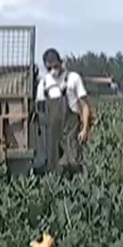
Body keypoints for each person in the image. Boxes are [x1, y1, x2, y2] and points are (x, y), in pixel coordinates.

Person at [35, 48, 92, 176]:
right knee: (53, 166)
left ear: (61, 62)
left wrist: (85, 129)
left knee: (74, 163)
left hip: (71, 129)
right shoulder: (43, 84)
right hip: (52, 132)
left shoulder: (73, 79)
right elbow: (40, 111)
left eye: (55, 66)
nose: (53, 71)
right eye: (49, 68)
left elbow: (84, 106)